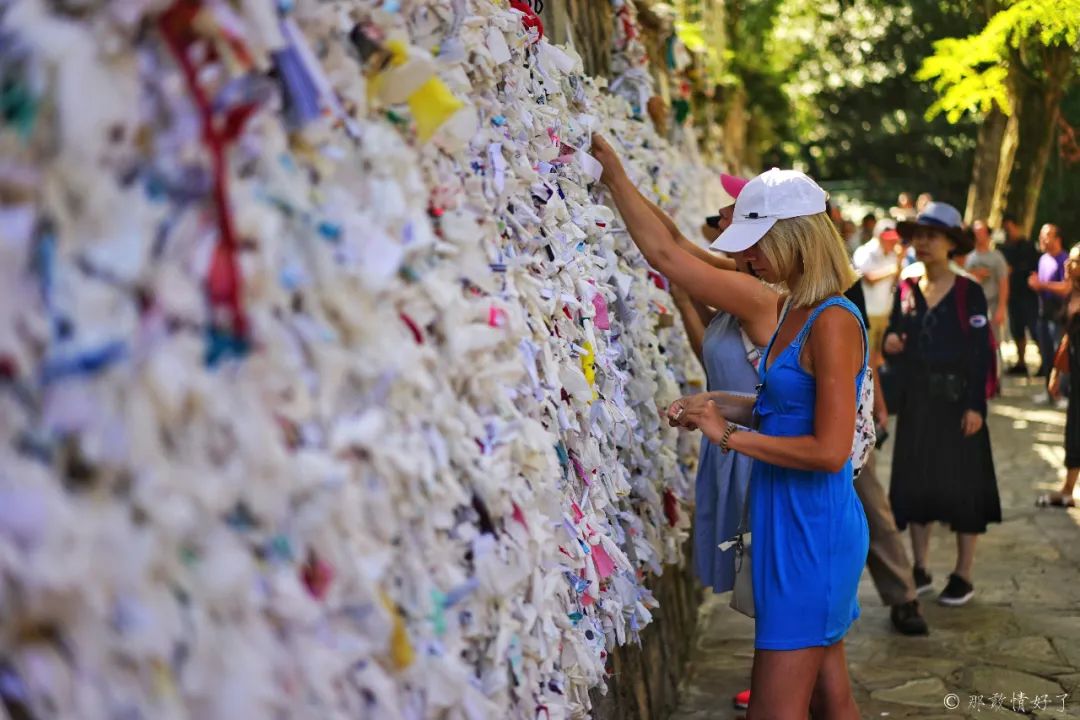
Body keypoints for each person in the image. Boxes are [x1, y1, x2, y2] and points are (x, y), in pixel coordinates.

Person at [596, 153, 868, 718]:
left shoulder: (834, 319)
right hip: (781, 520)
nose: (744, 256)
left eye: (755, 243)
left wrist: (726, 436)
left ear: (795, 239)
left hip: (811, 531)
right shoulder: (795, 307)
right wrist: (718, 403)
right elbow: (780, 406)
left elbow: (829, 450)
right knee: (830, 697)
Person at [884, 202, 1001, 607]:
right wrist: (891, 344)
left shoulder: (969, 291)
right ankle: (920, 566)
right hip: (918, 401)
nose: (923, 241)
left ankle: (964, 574)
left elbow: (980, 354)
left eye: (933, 235)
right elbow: (897, 337)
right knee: (917, 484)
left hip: (958, 404)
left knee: (965, 487)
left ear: (952, 243)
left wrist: (976, 407)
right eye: (919, 234)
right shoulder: (906, 285)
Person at [1044, 245, 1080, 508]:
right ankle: (1068, 488)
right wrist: (1057, 372)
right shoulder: (1072, 295)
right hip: (1077, 376)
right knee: (1074, 430)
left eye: (1075, 261)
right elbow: (1068, 338)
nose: (1068, 264)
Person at [853, 219, 902, 368]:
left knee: (878, 356)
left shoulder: (894, 255)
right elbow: (868, 278)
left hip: (884, 313)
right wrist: (893, 270)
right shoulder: (864, 252)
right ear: (880, 236)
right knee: (864, 355)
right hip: (868, 314)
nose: (893, 242)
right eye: (890, 239)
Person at [1029, 224, 1069, 392]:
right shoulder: (1043, 259)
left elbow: (1066, 287)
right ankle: (1049, 392)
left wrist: (1042, 285)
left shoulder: (1066, 260)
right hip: (1043, 312)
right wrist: (1035, 284)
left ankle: (1063, 392)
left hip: (1059, 314)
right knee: (1045, 353)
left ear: (1057, 239)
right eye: (1040, 236)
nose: (1042, 240)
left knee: (1059, 354)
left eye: (1046, 235)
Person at [998, 213, 1040, 375]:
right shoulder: (1002, 248)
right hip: (1012, 294)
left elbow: (1031, 267)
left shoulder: (1027, 246)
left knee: (1034, 328)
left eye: (1009, 228)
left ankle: (1044, 361)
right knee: (1017, 330)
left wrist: (1014, 270)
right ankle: (1021, 362)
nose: (1008, 232)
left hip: (1028, 294)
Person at [963, 220, 1009, 344]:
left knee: (993, 341)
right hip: (971, 305)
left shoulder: (997, 257)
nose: (978, 235)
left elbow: (1003, 283)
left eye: (981, 232)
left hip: (991, 304)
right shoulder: (966, 257)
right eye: (975, 232)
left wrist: (1001, 308)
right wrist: (973, 274)